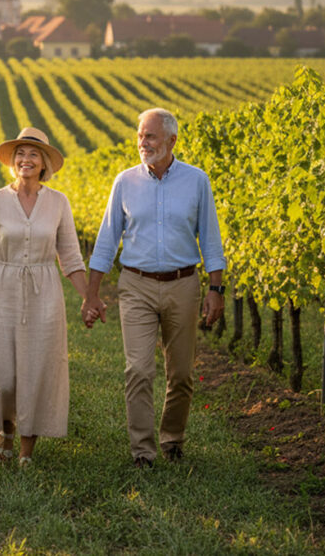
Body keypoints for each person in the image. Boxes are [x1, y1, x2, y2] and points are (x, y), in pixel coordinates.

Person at [82, 108, 225, 468]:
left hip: (182, 284)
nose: (142, 143)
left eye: (150, 136)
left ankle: (172, 439)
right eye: (140, 136)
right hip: (136, 285)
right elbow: (106, 241)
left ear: (172, 141)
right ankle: (143, 451)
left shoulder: (197, 181)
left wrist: (215, 290)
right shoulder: (124, 182)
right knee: (139, 370)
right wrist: (92, 294)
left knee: (181, 373)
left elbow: (210, 239)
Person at [0, 127, 89, 467]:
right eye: (20, 153)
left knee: (37, 369)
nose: (25, 159)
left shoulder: (58, 202)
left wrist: (87, 298)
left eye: (33, 154)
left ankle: (26, 448)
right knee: (3, 374)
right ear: (13, 160)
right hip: (2, 291)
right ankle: (4, 430)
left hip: (44, 294)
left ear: (44, 163)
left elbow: (71, 256)